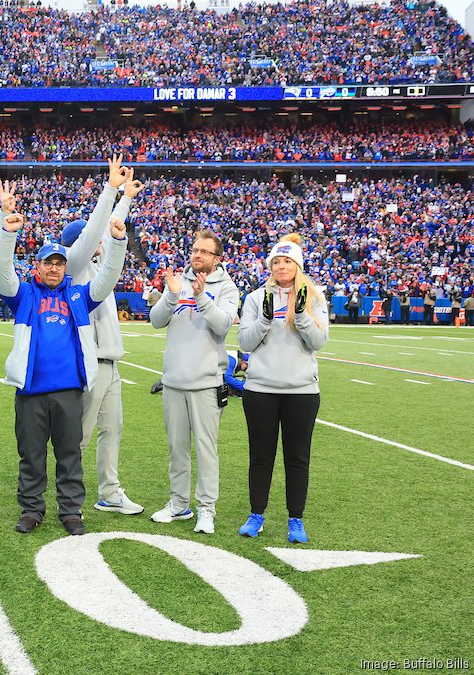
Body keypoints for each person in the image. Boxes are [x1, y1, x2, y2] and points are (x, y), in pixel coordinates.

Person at [0, 187, 130, 537]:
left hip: (68, 391)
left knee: (69, 454)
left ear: (65, 266)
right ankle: (32, 508)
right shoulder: (24, 294)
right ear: (37, 266)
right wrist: (7, 232)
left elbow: (108, 277)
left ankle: (70, 510)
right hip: (31, 390)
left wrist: (116, 242)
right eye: (48, 263)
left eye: (59, 263)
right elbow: (1, 271)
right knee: (31, 455)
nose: (54, 268)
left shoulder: (78, 295)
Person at [58, 156, 146, 517]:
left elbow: (113, 236)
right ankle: (69, 494)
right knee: (79, 434)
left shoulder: (95, 265)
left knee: (113, 428)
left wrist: (125, 198)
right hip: (90, 362)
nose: (96, 241)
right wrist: (112, 191)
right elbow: (98, 230)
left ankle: (109, 491)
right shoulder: (73, 266)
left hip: (112, 362)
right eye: (88, 238)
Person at [237, 234, 328, 544]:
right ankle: (256, 514)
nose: (281, 266)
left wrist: (301, 315)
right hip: (260, 389)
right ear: (270, 266)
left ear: (297, 265)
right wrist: (264, 319)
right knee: (260, 456)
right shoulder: (254, 297)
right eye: (276, 261)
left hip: (301, 391)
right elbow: (245, 342)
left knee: (297, 458)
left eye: (287, 261)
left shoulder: (314, 298)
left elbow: (318, 342)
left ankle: (295, 519)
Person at [149, 229, 240, 535]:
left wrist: (201, 297)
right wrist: (173, 294)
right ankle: (178, 504)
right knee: (177, 449)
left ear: (217, 258)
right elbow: (156, 320)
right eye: (195, 249)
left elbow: (222, 324)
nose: (197, 255)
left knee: (206, 449)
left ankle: (206, 509)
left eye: (204, 251)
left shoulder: (227, 288)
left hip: (206, 382)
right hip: (174, 380)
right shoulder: (179, 281)